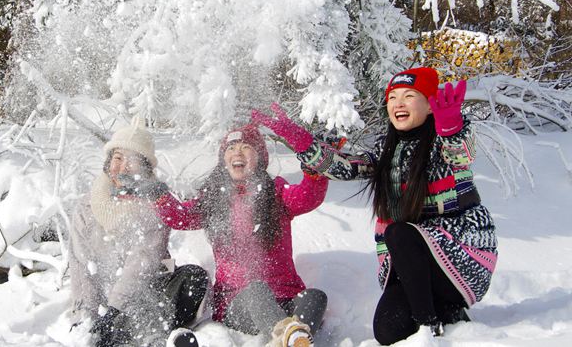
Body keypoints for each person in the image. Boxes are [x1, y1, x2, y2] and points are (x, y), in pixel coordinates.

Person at [253, 67, 498, 345]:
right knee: (387, 330)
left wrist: (451, 126)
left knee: (399, 232)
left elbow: (462, 155)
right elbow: (345, 168)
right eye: (393, 98)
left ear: (430, 106)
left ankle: (431, 329)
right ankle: (444, 312)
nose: (399, 104)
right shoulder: (386, 149)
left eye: (409, 96)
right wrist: (301, 141)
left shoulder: (443, 140)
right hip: (412, 268)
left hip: (462, 256)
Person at [153, 123, 330, 347]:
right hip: (237, 302)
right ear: (223, 160)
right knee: (257, 291)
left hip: (286, 297)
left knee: (315, 297)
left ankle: (295, 338)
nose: (237, 152)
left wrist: (315, 168)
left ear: (259, 157)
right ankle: (289, 337)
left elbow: (308, 197)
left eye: (246, 146)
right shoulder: (214, 199)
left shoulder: (275, 192)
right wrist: (159, 196)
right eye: (230, 148)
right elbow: (180, 217)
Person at [68, 117, 209, 347]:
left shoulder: (155, 204)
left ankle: (155, 338)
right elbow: (81, 265)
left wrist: (115, 310)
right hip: (106, 298)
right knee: (112, 325)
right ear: (108, 163)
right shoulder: (87, 207)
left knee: (192, 280)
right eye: (118, 158)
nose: (123, 167)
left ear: (145, 167)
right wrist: (86, 317)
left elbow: (142, 264)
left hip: (148, 290)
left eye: (132, 160)